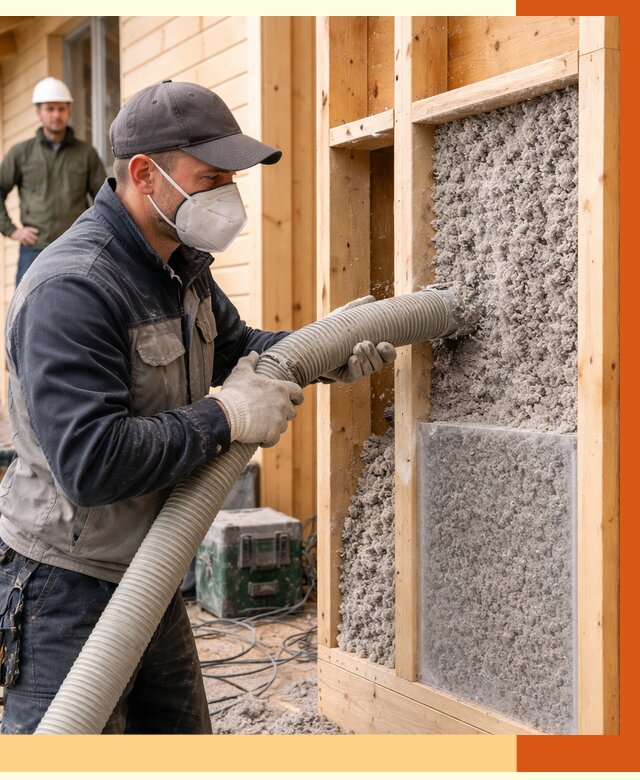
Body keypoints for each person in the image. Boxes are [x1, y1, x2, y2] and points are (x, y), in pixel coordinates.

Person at [0, 80, 396, 734]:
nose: (225, 196)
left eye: (230, 179)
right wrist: (226, 418)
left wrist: (331, 350)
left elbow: (238, 348)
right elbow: (91, 465)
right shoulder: (72, 289)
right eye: (209, 177)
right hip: (63, 589)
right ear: (143, 175)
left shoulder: (181, 263)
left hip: (150, 568)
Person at [0, 77, 106, 285]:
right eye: (50, 109)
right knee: (27, 307)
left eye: (61, 108)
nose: (56, 115)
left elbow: (104, 197)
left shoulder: (86, 153)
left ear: (69, 111)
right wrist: (12, 230)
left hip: (77, 245)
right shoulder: (21, 153)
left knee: (79, 305)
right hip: (34, 249)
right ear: (39, 112)